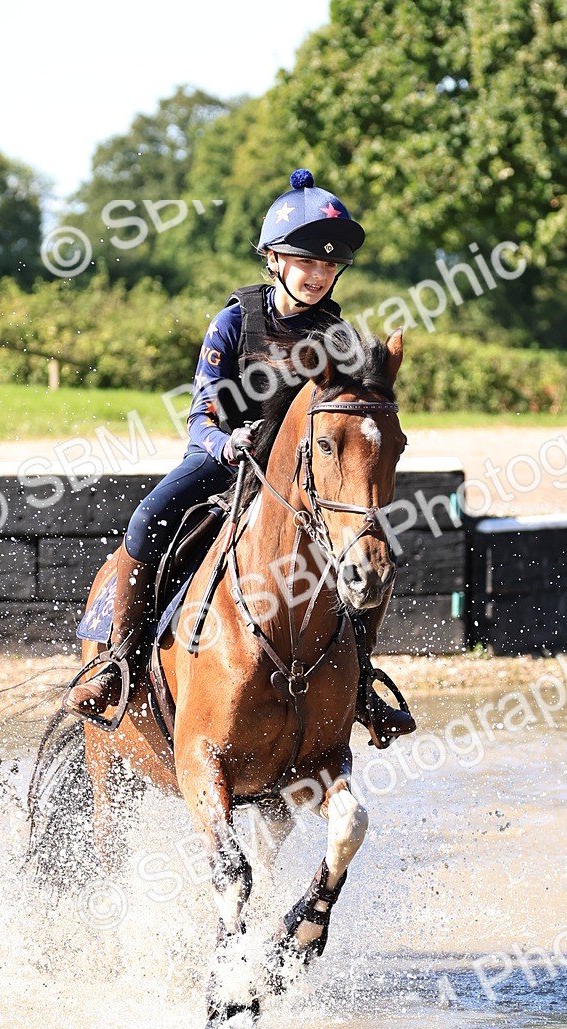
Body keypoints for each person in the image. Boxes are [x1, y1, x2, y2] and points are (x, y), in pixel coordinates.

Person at [66, 169, 415, 746]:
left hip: (302, 480)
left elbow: (355, 417)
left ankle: (360, 682)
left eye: (329, 266)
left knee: (374, 549)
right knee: (147, 519)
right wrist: (226, 443)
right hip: (222, 459)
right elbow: (202, 412)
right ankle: (116, 664)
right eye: (307, 262)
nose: (319, 274)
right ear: (274, 259)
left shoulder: (342, 337)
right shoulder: (234, 321)